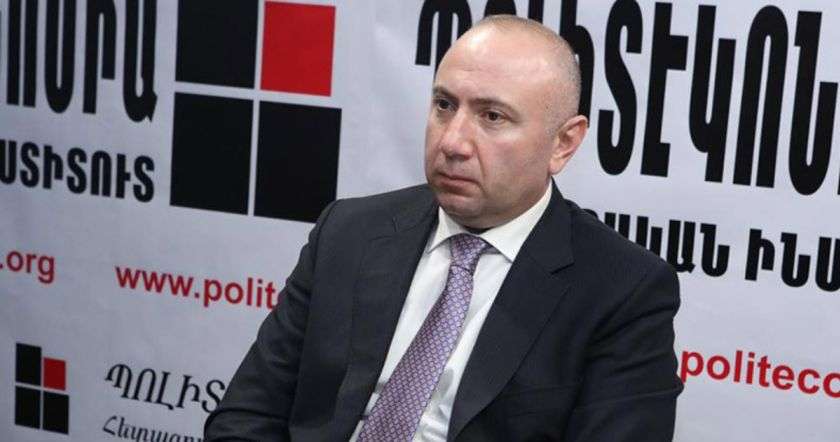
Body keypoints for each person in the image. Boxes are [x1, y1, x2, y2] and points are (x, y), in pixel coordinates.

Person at [205, 15, 682, 442]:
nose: (452, 142)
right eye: (444, 105)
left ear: (563, 143)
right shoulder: (349, 232)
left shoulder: (623, 291)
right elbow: (247, 416)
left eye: (492, 117)